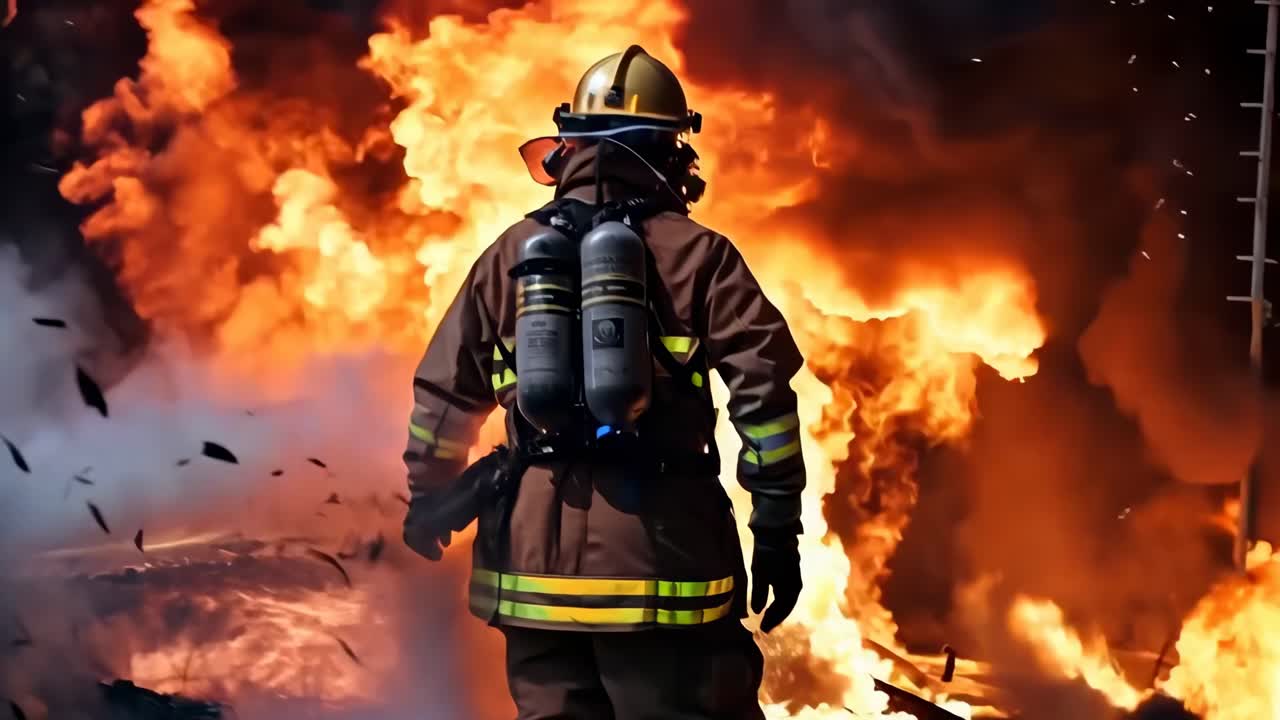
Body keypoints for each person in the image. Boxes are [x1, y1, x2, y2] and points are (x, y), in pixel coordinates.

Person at [401, 45, 807, 720]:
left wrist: (429, 495)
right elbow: (765, 402)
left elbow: (444, 397)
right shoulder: (700, 256)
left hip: (529, 574)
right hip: (663, 572)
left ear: (569, 148)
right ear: (672, 152)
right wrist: (776, 531)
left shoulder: (508, 253)